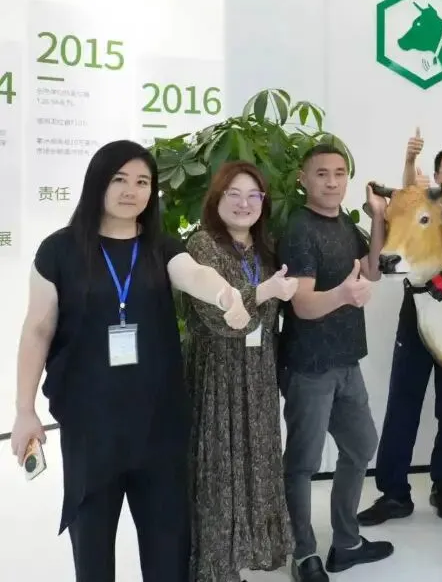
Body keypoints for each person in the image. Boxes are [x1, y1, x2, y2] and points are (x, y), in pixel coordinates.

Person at [9, 140, 251, 582]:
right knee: (92, 547)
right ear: (97, 183)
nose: (131, 190)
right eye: (119, 179)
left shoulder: (161, 246)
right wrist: (25, 410)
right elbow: (37, 329)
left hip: (158, 424)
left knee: (167, 546)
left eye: (142, 182)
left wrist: (224, 293)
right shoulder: (59, 250)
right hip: (91, 426)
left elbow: (193, 274)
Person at [278, 144, 392, 582]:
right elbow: (303, 305)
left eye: (339, 173)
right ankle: (303, 553)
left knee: (361, 446)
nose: (331, 181)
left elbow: (373, 269)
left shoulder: (345, 223)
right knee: (303, 463)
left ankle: (346, 543)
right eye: (321, 173)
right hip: (309, 366)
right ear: (303, 179)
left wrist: (378, 217)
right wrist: (344, 294)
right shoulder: (299, 230)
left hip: (347, 360)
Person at [183, 162, 297, 582]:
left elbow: (269, 319)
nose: (244, 203)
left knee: (255, 467)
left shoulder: (265, 248)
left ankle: (243, 557)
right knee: (219, 473)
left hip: (258, 374)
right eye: (234, 193)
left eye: (254, 195)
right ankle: (213, 570)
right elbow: (217, 318)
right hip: (218, 375)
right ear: (217, 198)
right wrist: (266, 291)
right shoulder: (202, 246)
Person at [358, 136, 442, 525]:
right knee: (402, 402)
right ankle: (394, 492)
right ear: (437, 176)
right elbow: (406, 193)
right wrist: (409, 162)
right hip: (416, 315)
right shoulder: (417, 205)